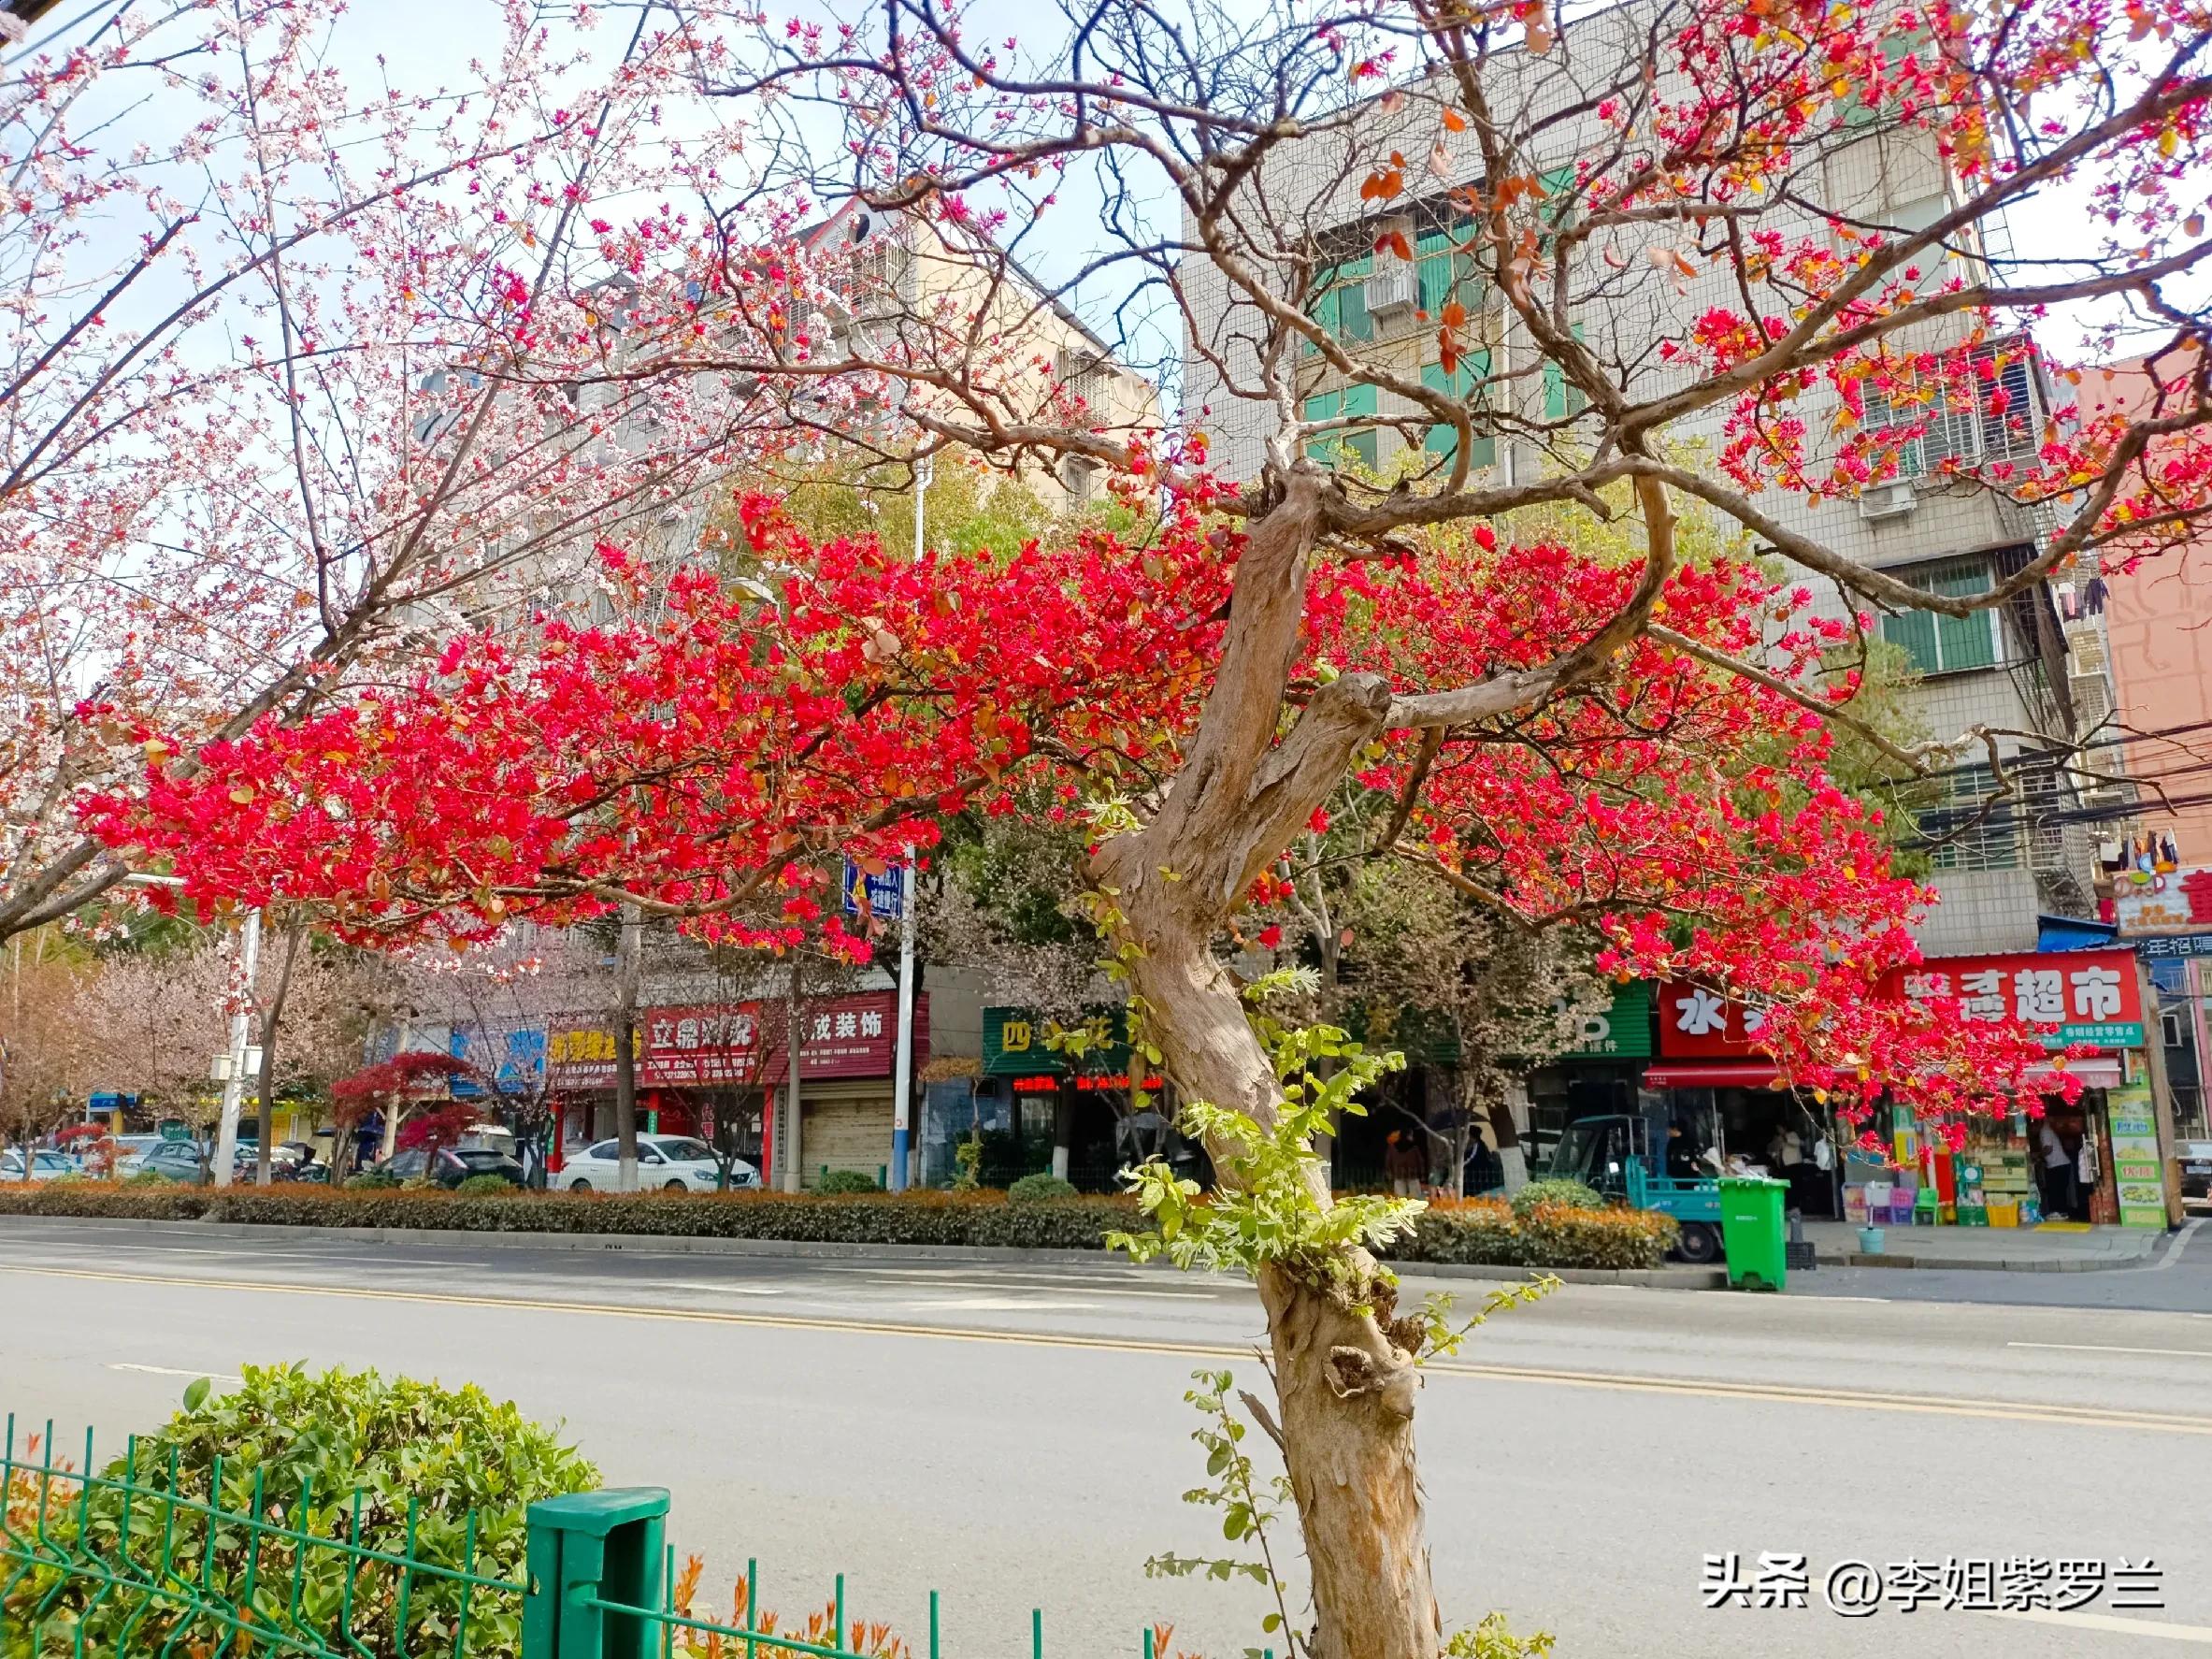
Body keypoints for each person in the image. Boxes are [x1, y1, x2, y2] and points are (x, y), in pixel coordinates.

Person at [2037, 1118, 2075, 1223]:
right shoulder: (2047, 1130)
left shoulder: (2045, 1131)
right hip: (2059, 1165)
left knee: (2055, 1190)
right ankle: (2061, 1213)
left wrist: (2038, 1156)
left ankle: (2058, 1212)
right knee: (2058, 1191)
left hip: (2058, 1165)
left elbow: (2048, 1149)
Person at [1385, 1130, 1426, 1198]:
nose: (1412, 1137)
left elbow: (1388, 1161)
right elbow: (1420, 1162)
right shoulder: (1414, 1148)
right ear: (1407, 1136)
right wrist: (1422, 1175)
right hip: (1413, 1175)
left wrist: (1390, 1174)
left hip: (1398, 1175)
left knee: (1400, 1198)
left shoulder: (1392, 1147)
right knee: (1415, 1198)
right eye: (1411, 1135)